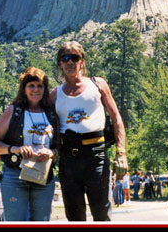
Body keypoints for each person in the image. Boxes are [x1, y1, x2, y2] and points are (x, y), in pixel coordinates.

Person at [52, 41, 128, 221]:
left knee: (101, 213)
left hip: (96, 156)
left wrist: (121, 152)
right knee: (74, 215)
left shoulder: (98, 84)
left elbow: (116, 117)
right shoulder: (54, 94)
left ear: (82, 62)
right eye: (66, 58)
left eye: (75, 57)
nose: (70, 62)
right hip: (68, 159)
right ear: (60, 63)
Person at [0, 67, 59, 221]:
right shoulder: (13, 111)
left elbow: (60, 146)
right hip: (15, 175)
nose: (35, 89)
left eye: (40, 86)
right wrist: (15, 149)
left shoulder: (52, 113)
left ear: (45, 89)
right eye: (31, 86)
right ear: (24, 89)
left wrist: (51, 153)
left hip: (44, 176)